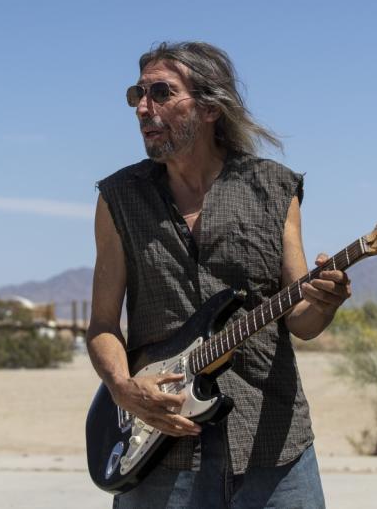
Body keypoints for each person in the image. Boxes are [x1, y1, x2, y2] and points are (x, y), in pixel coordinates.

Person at [88, 41, 351, 508]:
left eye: (162, 93)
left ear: (209, 107)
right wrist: (125, 390)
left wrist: (324, 302)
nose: (143, 108)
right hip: (160, 457)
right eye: (138, 94)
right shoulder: (118, 198)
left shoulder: (273, 187)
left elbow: (302, 320)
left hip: (272, 447)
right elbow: (103, 326)